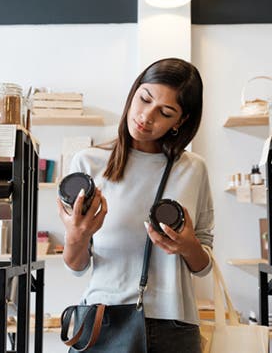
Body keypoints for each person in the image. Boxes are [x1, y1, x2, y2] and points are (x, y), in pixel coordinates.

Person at [58, 58, 214, 353]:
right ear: (133, 93)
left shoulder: (193, 169)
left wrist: (187, 246)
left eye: (165, 112)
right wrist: (76, 237)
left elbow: (203, 266)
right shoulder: (87, 163)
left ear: (179, 121)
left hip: (174, 326)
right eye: (144, 99)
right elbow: (76, 266)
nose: (146, 116)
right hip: (103, 320)